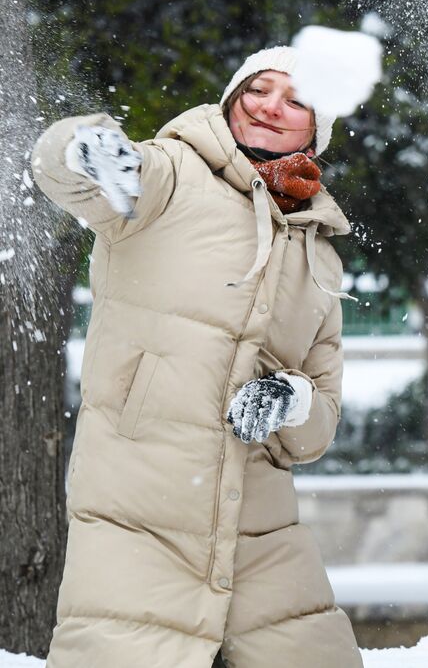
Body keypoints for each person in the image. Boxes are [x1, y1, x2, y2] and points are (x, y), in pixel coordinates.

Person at [31, 47, 362, 668]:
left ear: (318, 132)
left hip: (261, 535)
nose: (271, 107)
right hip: (136, 517)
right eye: (259, 90)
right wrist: (87, 148)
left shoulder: (320, 256)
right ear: (233, 99)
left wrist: (292, 400)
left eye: (296, 101)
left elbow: (319, 427)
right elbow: (67, 170)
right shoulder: (170, 174)